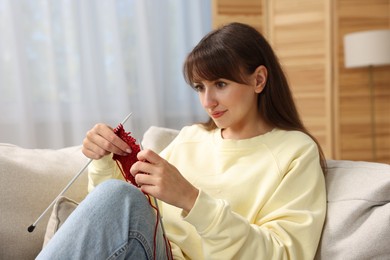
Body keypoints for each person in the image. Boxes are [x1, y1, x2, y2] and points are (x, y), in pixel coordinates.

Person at [37, 22, 327, 260]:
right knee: (120, 195)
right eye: (200, 87)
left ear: (259, 80)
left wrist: (191, 199)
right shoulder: (192, 138)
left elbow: (286, 254)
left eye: (221, 85)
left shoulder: (296, 152)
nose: (207, 101)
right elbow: (119, 222)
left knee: (120, 196)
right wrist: (102, 158)